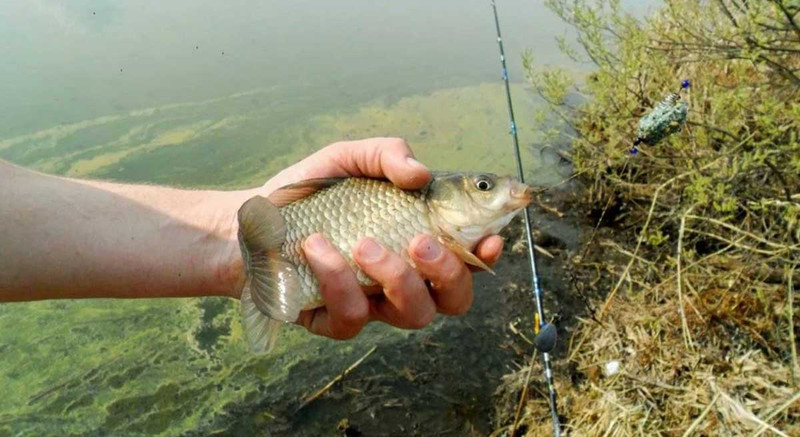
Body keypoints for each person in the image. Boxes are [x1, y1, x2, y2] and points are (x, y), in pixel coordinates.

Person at [0, 137, 504, 340]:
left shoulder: (434, 220)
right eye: (484, 187)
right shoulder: (424, 199)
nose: (501, 194)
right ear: (449, 196)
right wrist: (237, 243)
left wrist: (228, 245)